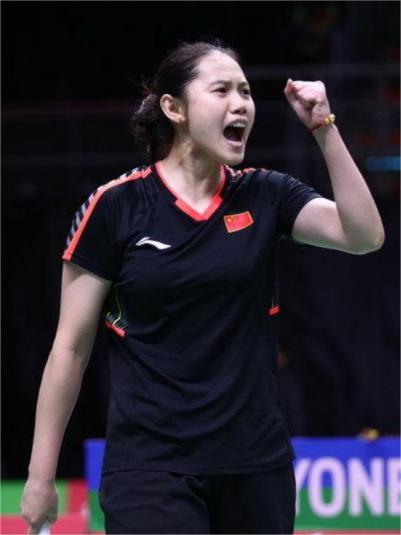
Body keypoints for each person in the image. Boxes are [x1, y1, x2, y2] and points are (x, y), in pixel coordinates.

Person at [21, 39, 385, 535]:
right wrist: (41, 475)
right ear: (174, 109)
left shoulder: (265, 193)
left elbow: (363, 236)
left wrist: (324, 128)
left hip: (255, 467)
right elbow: (70, 349)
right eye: (222, 90)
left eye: (246, 92)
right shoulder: (115, 208)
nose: (241, 104)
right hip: (151, 468)